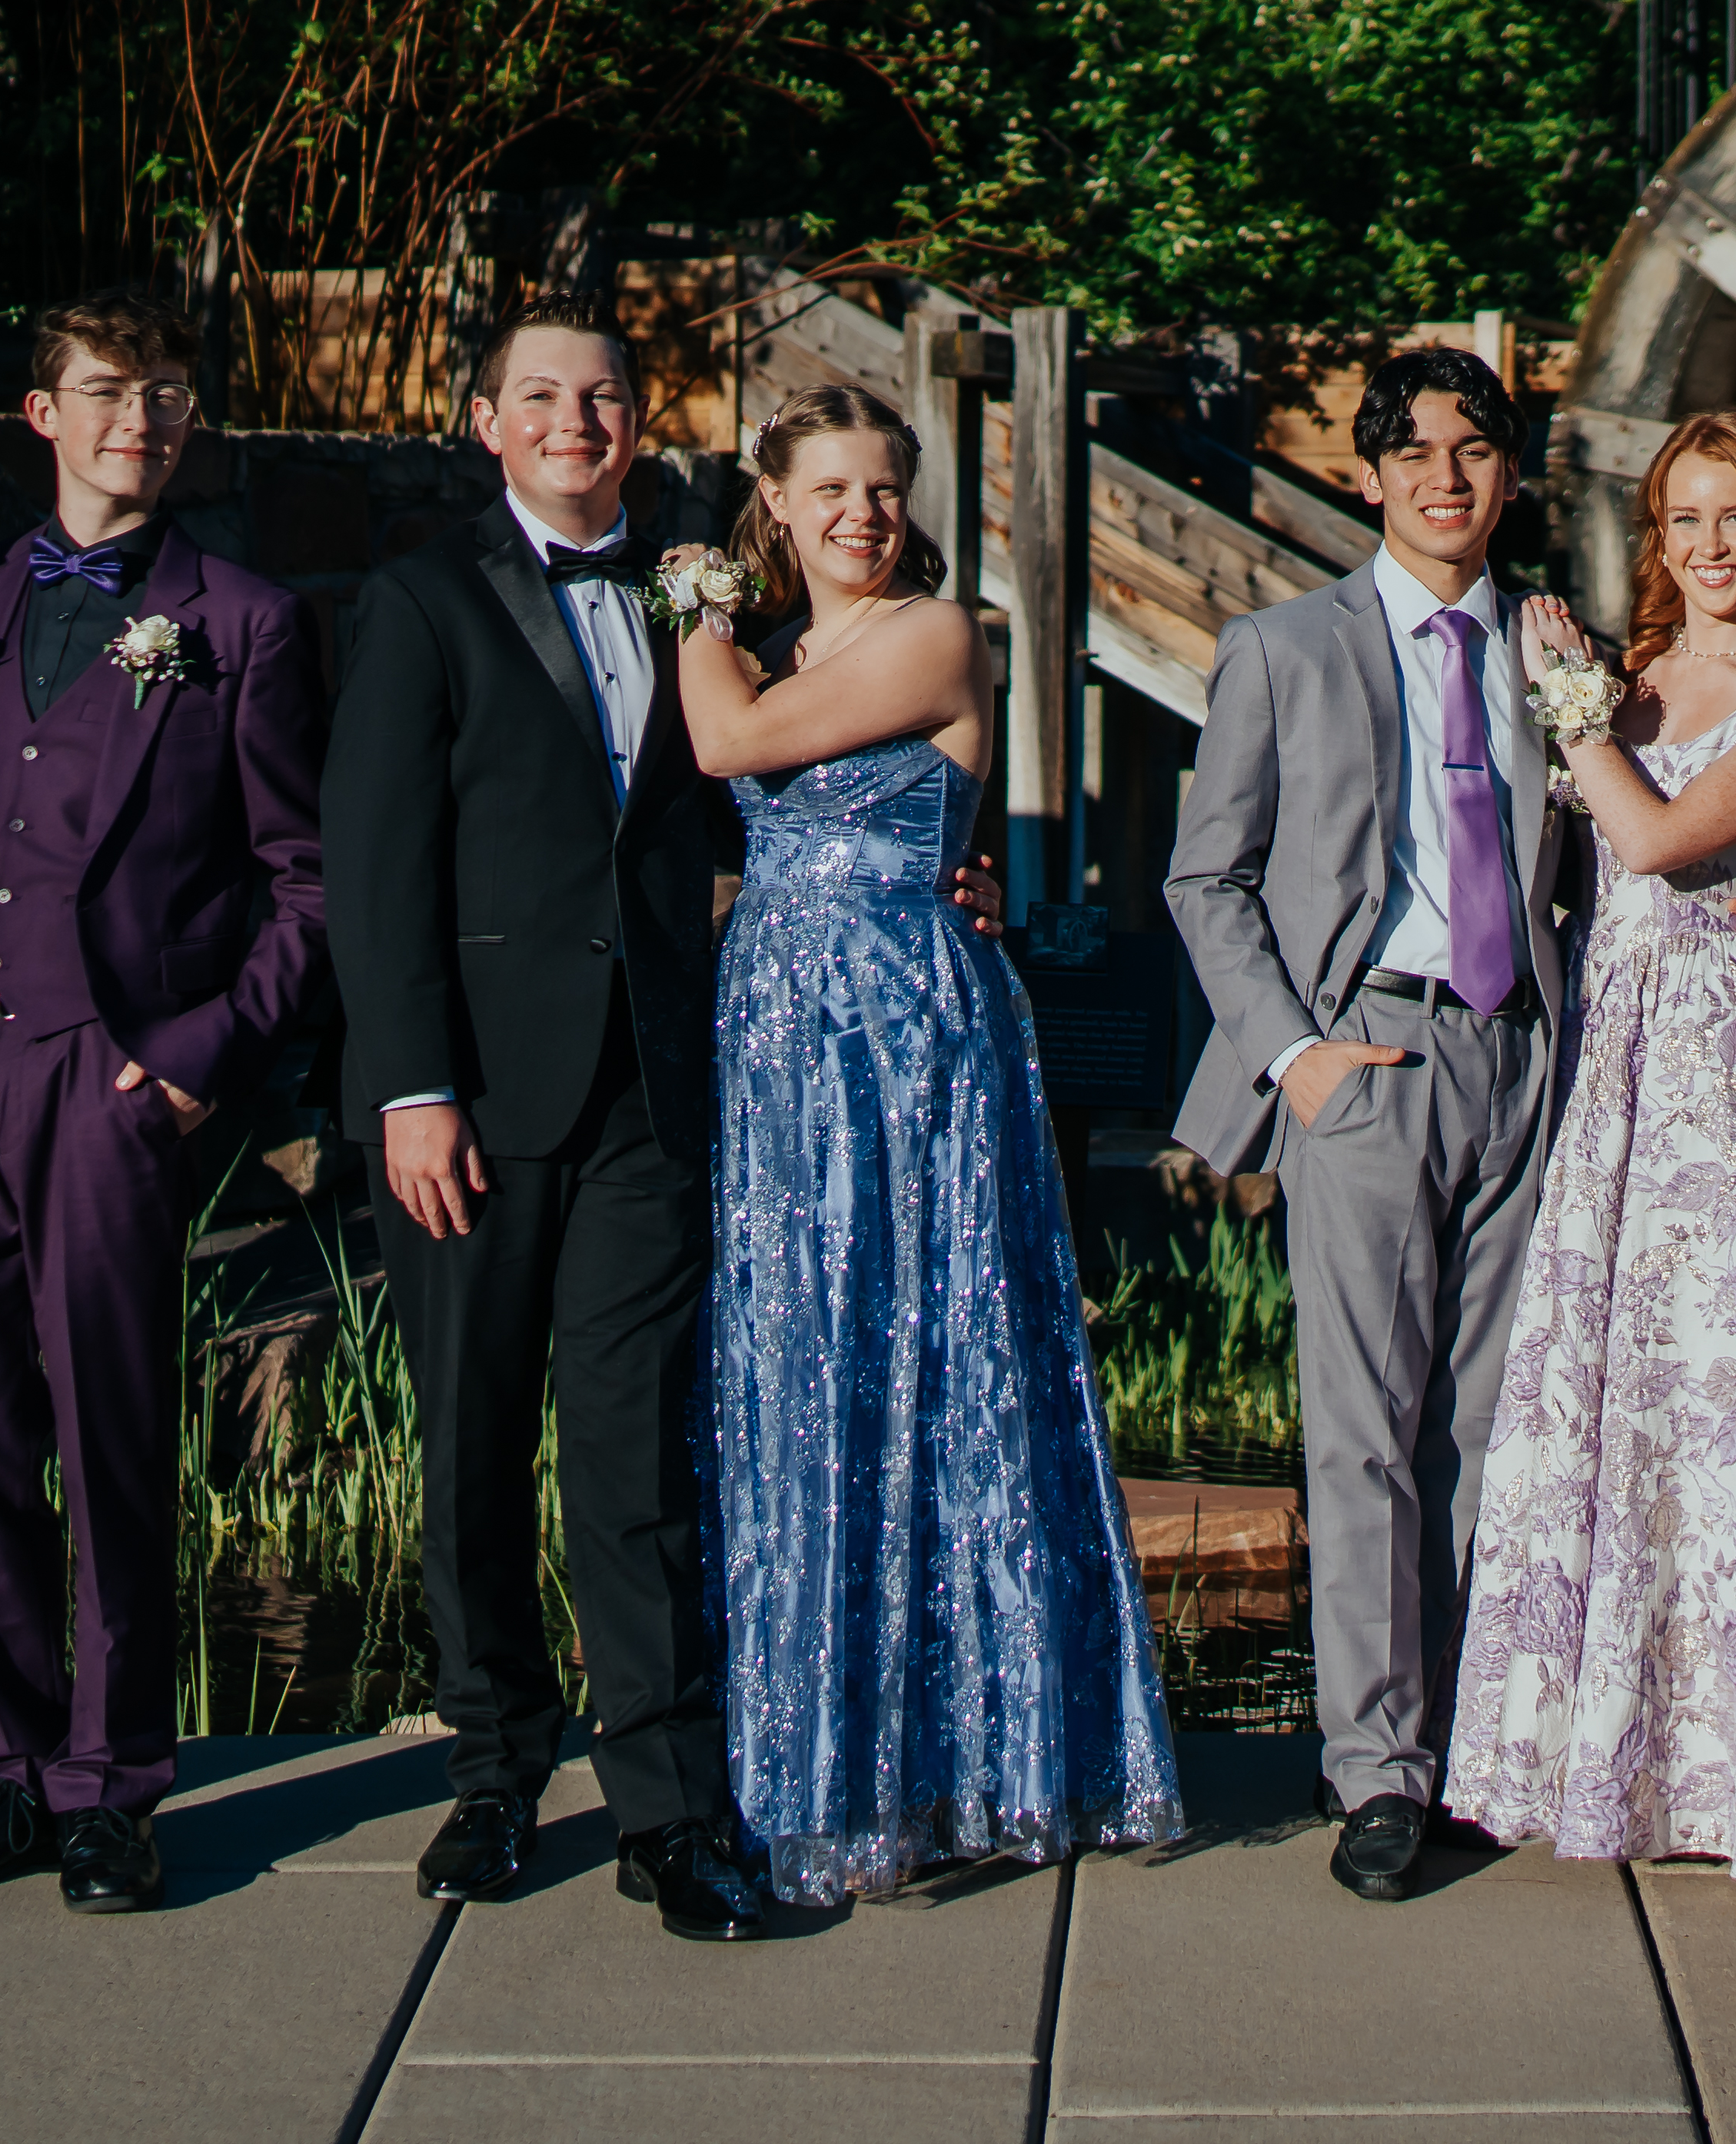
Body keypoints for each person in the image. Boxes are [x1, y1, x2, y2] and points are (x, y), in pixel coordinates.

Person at [670, 383, 1184, 1900]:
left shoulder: (936, 631)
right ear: (779, 498)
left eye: (884, 486)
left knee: (921, 1355)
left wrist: (692, 602)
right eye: (829, 486)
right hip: (776, 1034)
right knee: (803, 1362)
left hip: (902, 1030)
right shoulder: (782, 642)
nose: (862, 513)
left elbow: (730, 742)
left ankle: (971, 1751)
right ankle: (813, 1753)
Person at [326, 317, 774, 1940]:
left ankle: (667, 1804)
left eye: (601, 396)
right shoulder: (420, 598)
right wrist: (412, 1086)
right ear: (486, 424)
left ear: (640, 425)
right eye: (542, 397)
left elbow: (759, 794)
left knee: (637, 1452)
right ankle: (499, 1770)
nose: (575, 418)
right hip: (475, 1102)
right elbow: (374, 867)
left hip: (654, 1088)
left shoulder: (696, 589)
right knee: (471, 1440)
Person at [0, 290, 327, 1916]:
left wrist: (207, 1049)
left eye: (166, 395)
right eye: (108, 391)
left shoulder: (246, 619)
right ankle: (6, 1772)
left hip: (116, 1071)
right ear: (40, 415)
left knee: (114, 1429)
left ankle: (116, 1785)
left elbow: (308, 880)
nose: (140, 416)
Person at [1444, 411, 1736, 1884]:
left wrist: (1575, 716)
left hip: (1715, 1063)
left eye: (1735, 520)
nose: (1707, 548)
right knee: (1601, 1385)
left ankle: (1731, 1760)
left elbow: (1653, 842)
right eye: (1683, 520)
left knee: (1717, 1388)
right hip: (1607, 1052)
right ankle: (1588, 1742)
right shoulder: (1632, 679)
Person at [1165, 344, 1591, 1903]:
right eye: (1414, 451)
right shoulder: (1285, 646)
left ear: (1510, 469)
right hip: (1370, 1058)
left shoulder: (1562, 648)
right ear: (1368, 471)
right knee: (1362, 1432)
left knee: (1494, 1428)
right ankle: (1377, 1770)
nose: (1445, 476)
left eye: (1474, 449)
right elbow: (1204, 878)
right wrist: (1299, 1059)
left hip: (1524, 1056)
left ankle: (1483, 1740)